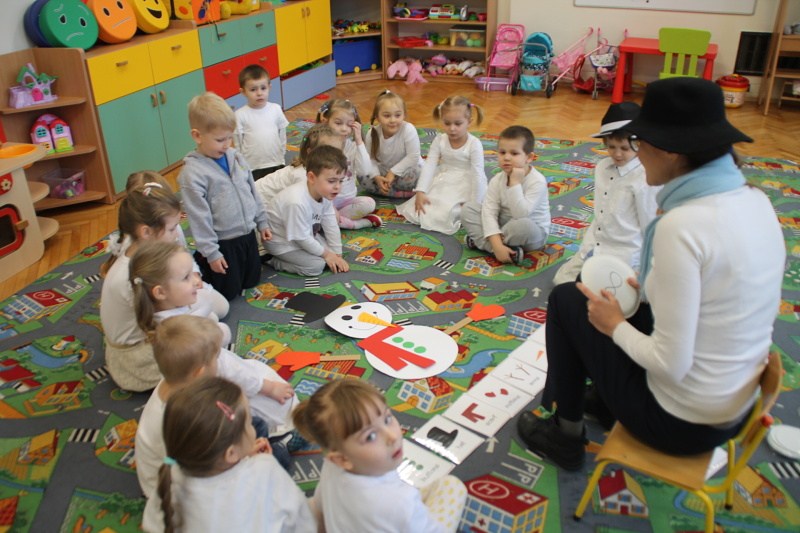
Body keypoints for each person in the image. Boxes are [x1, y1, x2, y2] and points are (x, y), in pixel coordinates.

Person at [516, 77, 786, 472]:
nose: (636, 155)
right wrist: (655, 287)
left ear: (668, 151)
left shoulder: (683, 225)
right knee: (606, 298)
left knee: (566, 300)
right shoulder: (754, 199)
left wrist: (613, 326)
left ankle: (565, 434)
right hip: (732, 406)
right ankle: (605, 403)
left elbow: (670, 362)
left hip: (678, 422)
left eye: (639, 144)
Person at [129, 241, 298, 461]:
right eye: (186, 277)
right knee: (273, 418)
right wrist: (268, 388)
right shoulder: (192, 344)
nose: (196, 281)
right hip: (195, 464)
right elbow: (231, 370)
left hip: (190, 431)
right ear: (160, 292)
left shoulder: (166, 325)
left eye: (193, 273)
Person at [141, 376, 316, 533]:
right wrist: (262, 462)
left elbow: (152, 524)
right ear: (231, 453)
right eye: (249, 423)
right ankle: (283, 444)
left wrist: (244, 458)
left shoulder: (170, 473)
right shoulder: (264, 468)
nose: (252, 427)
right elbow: (302, 520)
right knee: (277, 450)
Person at [293, 379, 467, 533]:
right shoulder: (401, 501)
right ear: (342, 459)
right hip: (399, 512)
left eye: (387, 419)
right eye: (370, 436)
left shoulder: (331, 465)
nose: (392, 437)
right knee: (452, 485)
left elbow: (319, 506)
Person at [179, 92, 272, 301]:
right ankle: (198, 266)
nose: (227, 144)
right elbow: (199, 218)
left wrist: (262, 221)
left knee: (251, 281)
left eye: (230, 137)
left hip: (247, 235)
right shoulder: (192, 175)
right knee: (227, 293)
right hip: (223, 242)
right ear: (197, 136)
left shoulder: (235, 157)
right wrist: (212, 253)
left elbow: (252, 190)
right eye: (220, 140)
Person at [552, 102, 658, 285]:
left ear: (639, 144)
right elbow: (600, 213)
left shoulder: (644, 177)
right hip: (595, 244)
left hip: (624, 253)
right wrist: (589, 247)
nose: (617, 154)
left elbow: (649, 226)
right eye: (611, 147)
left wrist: (646, 268)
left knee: (600, 293)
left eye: (624, 148)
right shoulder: (602, 167)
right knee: (560, 282)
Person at [99, 179, 185, 391]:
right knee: (209, 337)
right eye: (172, 229)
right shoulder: (135, 274)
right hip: (136, 361)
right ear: (146, 232)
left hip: (133, 343)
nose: (177, 235)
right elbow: (167, 322)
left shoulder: (136, 255)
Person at [135, 315, 221, 499]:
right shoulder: (182, 418)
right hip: (171, 490)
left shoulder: (172, 381)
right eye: (216, 358)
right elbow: (200, 466)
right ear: (200, 373)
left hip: (174, 462)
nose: (218, 362)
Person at [124, 171, 229, 319]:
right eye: (171, 229)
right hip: (165, 298)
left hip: (181, 283)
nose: (175, 232)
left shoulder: (172, 230)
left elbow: (185, 255)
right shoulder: (133, 251)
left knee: (221, 308)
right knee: (211, 316)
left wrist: (194, 274)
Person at [396, 95, 488, 235]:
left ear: (469, 122)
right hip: (444, 178)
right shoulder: (440, 139)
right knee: (426, 206)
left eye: (458, 124)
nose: (452, 128)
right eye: (447, 123)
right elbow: (429, 166)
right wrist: (421, 191)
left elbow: (478, 175)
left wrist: (475, 204)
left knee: (452, 211)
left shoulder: (474, 144)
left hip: (467, 182)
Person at [460, 125, 550, 264]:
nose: (506, 158)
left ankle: (483, 242)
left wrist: (515, 183)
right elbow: (489, 212)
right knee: (469, 209)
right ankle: (497, 249)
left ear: (529, 157)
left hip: (530, 233)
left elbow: (520, 214)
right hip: (502, 223)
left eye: (514, 153)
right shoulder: (497, 180)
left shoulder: (537, 181)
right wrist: (496, 245)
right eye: (502, 152)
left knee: (523, 225)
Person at [265, 145, 350, 276]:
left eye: (341, 181)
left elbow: (330, 223)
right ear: (311, 177)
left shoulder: (324, 192)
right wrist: (327, 255)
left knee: (329, 252)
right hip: (282, 244)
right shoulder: (296, 201)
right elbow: (301, 238)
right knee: (316, 266)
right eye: (332, 181)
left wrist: (337, 254)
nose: (337, 187)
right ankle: (274, 261)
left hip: (303, 234)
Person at [317, 98, 382, 229]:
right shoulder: (320, 145)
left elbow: (365, 171)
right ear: (325, 121)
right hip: (325, 201)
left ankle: (335, 221)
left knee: (369, 203)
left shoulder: (352, 147)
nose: (344, 129)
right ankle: (354, 224)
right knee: (316, 214)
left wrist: (359, 141)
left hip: (347, 200)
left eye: (349, 125)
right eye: (338, 123)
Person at [254, 122, 343, 208]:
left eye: (338, 152)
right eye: (328, 152)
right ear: (311, 153)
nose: (334, 158)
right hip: (257, 203)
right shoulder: (302, 176)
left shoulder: (313, 171)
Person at [360, 89, 422, 198]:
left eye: (397, 115)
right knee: (361, 174)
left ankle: (388, 191)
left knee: (420, 173)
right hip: (383, 173)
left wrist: (393, 173)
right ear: (377, 117)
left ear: (404, 115)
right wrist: (376, 177)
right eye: (387, 116)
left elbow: (413, 156)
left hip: (405, 171)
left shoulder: (408, 129)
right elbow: (370, 160)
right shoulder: (372, 134)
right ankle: (397, 192)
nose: (393, 120)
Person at [234, 64, 289, 180]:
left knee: (278, 186)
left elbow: (282, 133)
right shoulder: (240, 114)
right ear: (243, 92)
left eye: (263, 88)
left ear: (269, 87)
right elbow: (237, 142)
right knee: (258, 189)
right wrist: (240, 163)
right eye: (253, 90)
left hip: (276, 161)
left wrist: (282, 153)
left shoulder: (275, 109)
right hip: (253, 166)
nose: (259, 93)